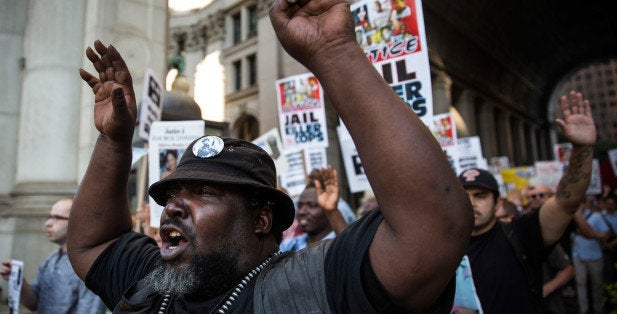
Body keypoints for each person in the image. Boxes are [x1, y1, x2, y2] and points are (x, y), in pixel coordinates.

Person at [68, 0, 473, 311]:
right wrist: (115, 141)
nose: (173, 206)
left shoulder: (307, 287)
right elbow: (93, 244)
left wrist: (334, 51)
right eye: (174, 194)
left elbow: (432, 231)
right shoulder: (153, 282)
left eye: (204, 191)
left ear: (261, 220)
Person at [455, 91, 597, 314]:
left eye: (480, 196)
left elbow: (565, 202)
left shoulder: (521, 234)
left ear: (497, 202)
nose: (471, 202)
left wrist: (582, 149)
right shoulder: (445, 247)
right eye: (464, 196)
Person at [1, 198, 106, 314]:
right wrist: (18, 281)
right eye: (49, 217)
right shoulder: (50, 261)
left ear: (77, 222)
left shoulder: (89, 265)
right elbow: (34, 304)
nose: (48, 223)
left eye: (57, 218)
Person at [280, 165, 347, 252]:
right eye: (300, 206)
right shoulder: (289, 246)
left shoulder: (339, 244)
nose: (301, 212)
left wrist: (332, 211)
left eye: (311, 205)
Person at [572, 199, 610, 314]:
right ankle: (583, 310)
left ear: (584, 204)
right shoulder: (571, 218)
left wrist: (592, 235)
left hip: (594, 256)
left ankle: (598, 309)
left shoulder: (596, 217)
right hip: (578, 256)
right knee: (580, 284)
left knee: (597, 284)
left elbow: (606, 233)